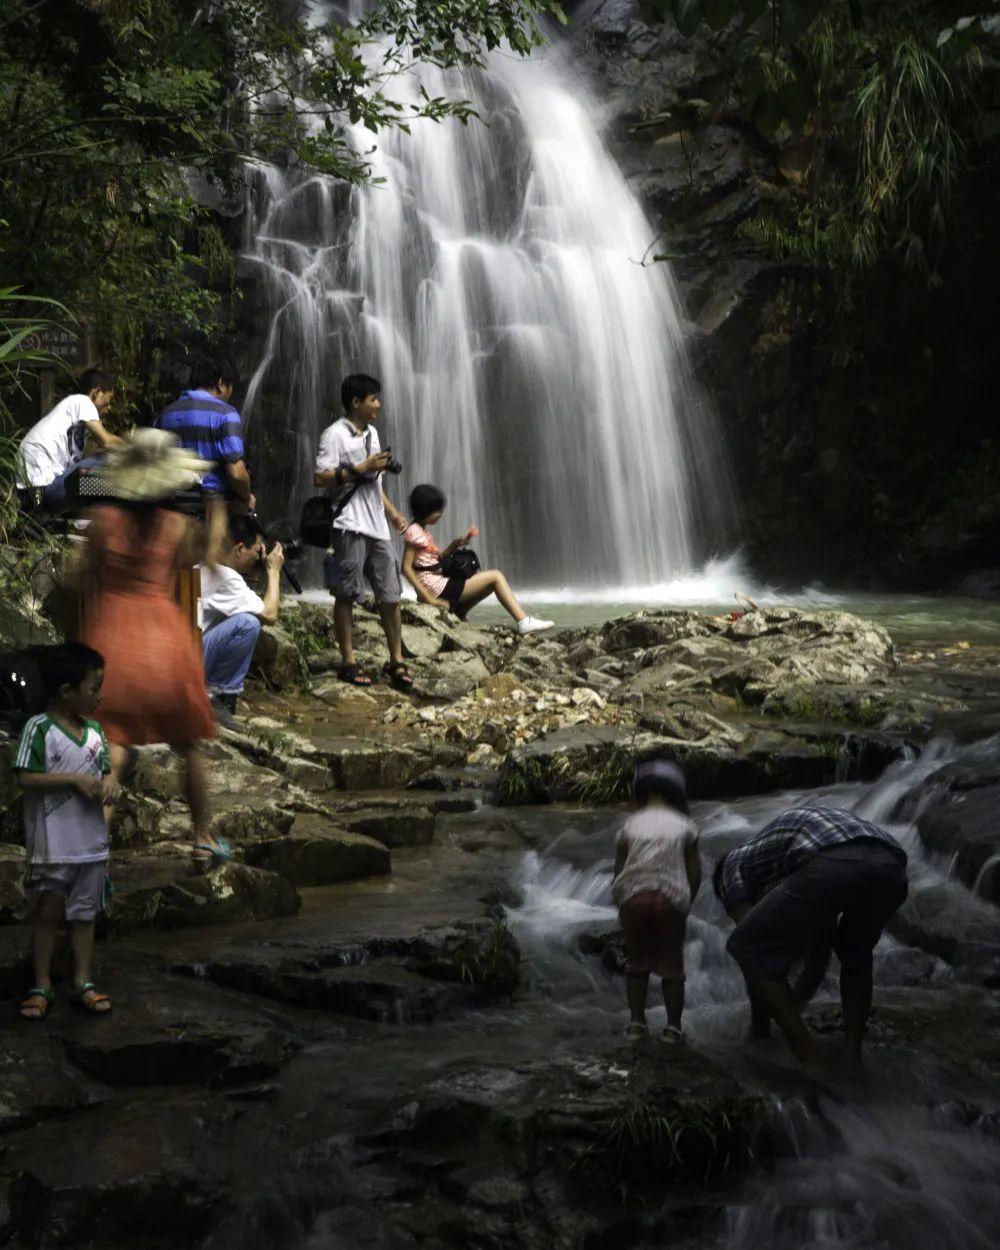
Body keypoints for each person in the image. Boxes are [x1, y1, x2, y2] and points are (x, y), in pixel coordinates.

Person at [75, 428, 225, 866]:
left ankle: (91, 857)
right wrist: (215, 519)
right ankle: (201, 838)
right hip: (167, 646)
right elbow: (209, 562)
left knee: (113, 751)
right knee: (189, 746)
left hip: (111, 645)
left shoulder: (102, 523)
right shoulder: (177, 526)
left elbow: (77, 582)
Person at [713, 805, 909, 1071]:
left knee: (746, 947)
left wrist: (762, 1026)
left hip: (831, 859)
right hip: (891, 863)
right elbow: (821, 946)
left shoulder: (731, 866)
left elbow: (754, 951)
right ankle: (852, 1054)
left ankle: (808, 1056)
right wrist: (794, 1001)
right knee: (856, 956)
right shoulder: (781, 861)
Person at [14, 643, 120, 1019]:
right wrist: (72, 780)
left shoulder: (95, 732)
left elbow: (106, 772)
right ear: (65, 691)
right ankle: (41, 984)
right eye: (93, 688)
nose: (99, 695)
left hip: (90, 845)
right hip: (54, 844)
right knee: (48, 912)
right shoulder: (39, 728)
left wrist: (110, 784)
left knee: (84, 914)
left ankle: (82, 981)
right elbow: (26, 777)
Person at [313, 373, 412, 690]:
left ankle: (396, 660)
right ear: (356, 402)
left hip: (377, 525)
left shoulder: (373, 433)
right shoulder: (334, 435)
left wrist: (394, 513)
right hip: (348, 524)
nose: (378, 405)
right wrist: (360, 468)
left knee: (391, 594)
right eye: (373, 399)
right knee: (347, 593)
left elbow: (375, 482)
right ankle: (349, 662)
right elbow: (320, 478)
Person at [613, 757, 701, 1044]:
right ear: (677, 792)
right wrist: (686, 902)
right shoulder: (685, 826)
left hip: (634, 898)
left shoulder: (630, 825)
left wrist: (621, 900)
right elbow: (694, 873)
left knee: (636, 964)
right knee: (672, 968)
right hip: (669, 900)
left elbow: (620, 869)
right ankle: (673, 1028)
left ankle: (637, 1024)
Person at [401, 484, 554, 634]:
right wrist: (429, 598)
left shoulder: (421, 530)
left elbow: (436, 559)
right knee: (495, 577)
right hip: (437, 589)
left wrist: (455, 544)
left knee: (488, 585)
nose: (440, 514)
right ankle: (523, 621)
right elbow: (406, 568)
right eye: (436, 511)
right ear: (424, 511)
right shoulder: (414, 532)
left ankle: (458, 613)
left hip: (438, 586)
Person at [156, 355, 252, 566]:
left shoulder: (166, 414)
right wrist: (246, 496)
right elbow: (236, 472)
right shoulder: (226, 414)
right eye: (230, 387)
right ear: (220, 383)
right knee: (211, 580)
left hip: (170, 514)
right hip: (210, 515)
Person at [200, 514, 284, 725]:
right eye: (256, 552)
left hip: (180, 658)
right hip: (189, 664)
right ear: (239, 549)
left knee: (242, 618)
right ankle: (218, 698)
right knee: (248, 623)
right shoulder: (225, 576)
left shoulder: (204, 566)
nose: (259, 557)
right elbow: (269, 614)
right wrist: (273, 571)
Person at [17, 368, 122, 497]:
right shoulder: (83, 401)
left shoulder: (74, 415)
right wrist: (139, 447)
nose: (109, 407)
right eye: (108, 400)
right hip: (43, 485)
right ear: (97, 392)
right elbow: (106, 441)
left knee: (100, 485)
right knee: (110, 461)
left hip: (32, 489)